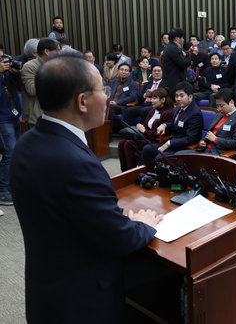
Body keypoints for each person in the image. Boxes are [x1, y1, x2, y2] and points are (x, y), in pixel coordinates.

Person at [11, 53, 162, 323]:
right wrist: (142, 223)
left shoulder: (25, 143)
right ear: (82, 101)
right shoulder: (77, 162)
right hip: (81, 301)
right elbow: (118, 238)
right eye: (102, 90)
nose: (106, 97)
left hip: (46, 287)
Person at [142, 82, 203, 163]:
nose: (178, 99)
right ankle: (149, 173)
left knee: (159, 157)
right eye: (176, 96)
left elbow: (191, 138)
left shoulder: (195, 113)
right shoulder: (179, 107)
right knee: (147, 149)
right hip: (173, 142)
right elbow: (175, 125)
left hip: (183, 147)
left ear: (190, 97)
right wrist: (165, 125)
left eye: (182, 96)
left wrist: (169, 143)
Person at [118, 87, 174, 171]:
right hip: (146, 137)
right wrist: (141, 127)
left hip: (156, 140)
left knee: (128, 144)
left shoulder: (168, 113)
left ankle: (132, 172)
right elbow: (146, 125)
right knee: (121, 143)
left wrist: (144, 130)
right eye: (151, 98)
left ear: (163, 100)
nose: (151, 100)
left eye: (154, 98)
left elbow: (160, 134)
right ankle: (124, 172)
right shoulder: (152, 111)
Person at [178, 88, 236, 156]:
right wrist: (203, 141)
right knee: (178, 156)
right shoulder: (218, 116)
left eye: (221, 106)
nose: (219, 109)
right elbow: (209, 134)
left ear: (231, 102)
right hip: (204, 150)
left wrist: (215, 139)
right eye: (217, 106)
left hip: (218, 154)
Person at [21, 37, 60, 129]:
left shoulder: (56, 65)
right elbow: (31, 90)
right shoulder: (29, 66)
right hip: (36, 118)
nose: (59, 54)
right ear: (47, 51)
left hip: (55, 115)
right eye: (57, 51)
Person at [0, 56, 22, 206]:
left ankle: (12, 186)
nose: (4, 62)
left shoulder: (8, 72)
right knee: (9, 153)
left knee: (15, 152)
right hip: (2, 118)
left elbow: (21, 88)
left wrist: (15, 73)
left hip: (13, 115)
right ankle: (3, 191)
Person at [107, 63, 137, 132]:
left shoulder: (133, 84)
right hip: (110, 103)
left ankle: (108, 135)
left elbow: (132, 97)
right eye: (121, 70)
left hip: (122, 106)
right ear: (118, 71)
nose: (123, 72)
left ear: (129, 73)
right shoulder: (112, 82)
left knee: (110, 108)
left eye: (126, 70)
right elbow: (106, 94)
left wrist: (116, 102)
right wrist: (109, 101)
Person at [162, 27, 192, 95]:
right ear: (177, 38)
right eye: (182, 38)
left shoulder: (169, 47)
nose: (183, 40)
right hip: (174, 82)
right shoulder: (174, 48)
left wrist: (186, 54)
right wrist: (191, 55)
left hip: (170, 81)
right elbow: (183, 64)